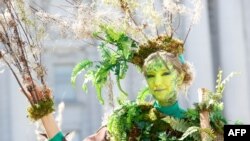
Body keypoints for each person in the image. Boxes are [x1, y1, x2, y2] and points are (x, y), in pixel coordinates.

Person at [23, 49, 194, 141]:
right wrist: (44, 113)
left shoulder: (202, 125)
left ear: (179, 77)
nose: (157, 82)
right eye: (150, 75)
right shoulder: (128, 120)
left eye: (165, 74)